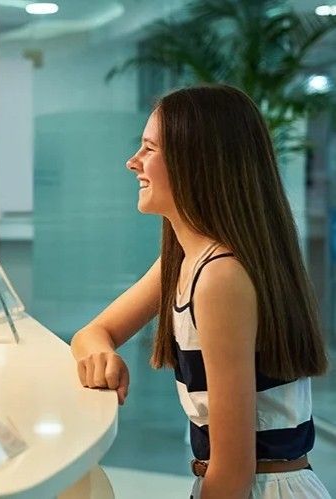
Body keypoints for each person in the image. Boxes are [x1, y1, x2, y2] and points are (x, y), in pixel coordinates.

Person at [71, 85, 330, 498]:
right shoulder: (184, 261)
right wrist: (100, 358)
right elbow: (91, 333)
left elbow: (233, 468)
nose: (132, 162)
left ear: (196, 163)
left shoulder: (219, 276)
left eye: (149, 149)